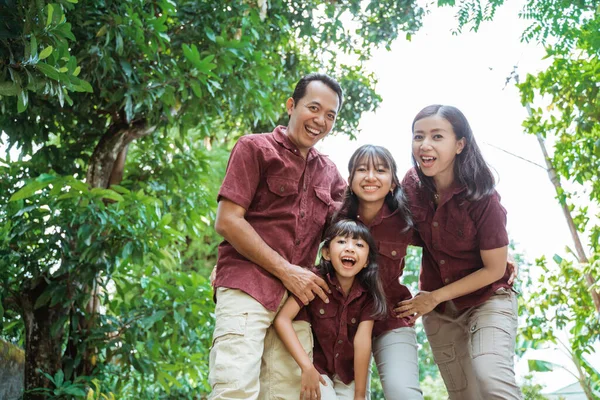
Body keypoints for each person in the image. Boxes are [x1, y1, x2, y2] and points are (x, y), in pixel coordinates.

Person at [209, 73, 347, 399]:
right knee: (235, 390)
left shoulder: (329, 173)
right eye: (314, 108)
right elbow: (228, 221)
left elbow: (353, 228)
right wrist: (288, 272)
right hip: (247, 287)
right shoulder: (254, 148)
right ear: (291, 105)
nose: (321, 120)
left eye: (330, 115)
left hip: (295, 307)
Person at [396, 104, 522, 399]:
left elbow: (494, 269)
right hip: (440, 311)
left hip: (487, 298)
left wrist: (434, 297)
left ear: (460, 145)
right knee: (464, 394)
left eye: (437, 136)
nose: (424, 145)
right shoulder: (412, 186)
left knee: (491, 377)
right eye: (418, 136)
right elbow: (392, 229)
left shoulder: (483, 196)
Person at [336, 144, 424, 399]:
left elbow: (445, 242)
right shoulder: (335, 217)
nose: (371, 177)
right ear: (350, 179)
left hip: (391, 317)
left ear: (393, 182)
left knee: (403, 392)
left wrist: (499, 252)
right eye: (362, 170)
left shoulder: (405, 219)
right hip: (342, 323)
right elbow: (299, 243)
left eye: (381, 170)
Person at [274, 219, 386, 400]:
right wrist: (306, 367)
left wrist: (359, 395)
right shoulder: (314, 281)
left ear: (366, 261)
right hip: (316, 367)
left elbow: (362, 343)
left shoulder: (369, 294)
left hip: (348, 373)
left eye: (358, 244)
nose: (350, 248)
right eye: (342, 242)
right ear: (326, 253)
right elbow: (282, 319)